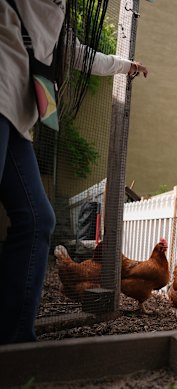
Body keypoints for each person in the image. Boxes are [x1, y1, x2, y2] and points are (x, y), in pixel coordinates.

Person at [0, 0, 63, 345]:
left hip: (17, 114)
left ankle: (14, 344)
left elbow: (75, 52)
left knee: (38, 219)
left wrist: (124, 65)